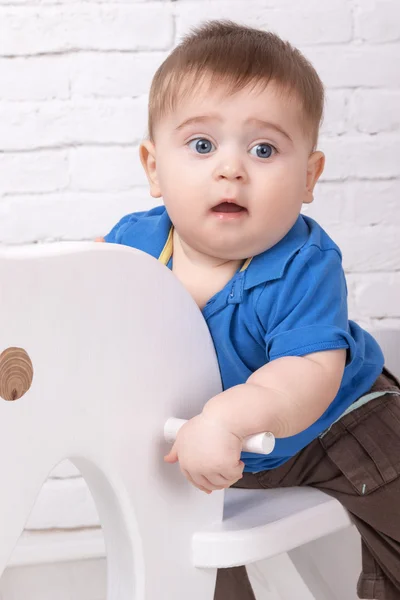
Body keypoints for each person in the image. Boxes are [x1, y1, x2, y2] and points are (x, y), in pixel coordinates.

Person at [96, 21, 400, 600]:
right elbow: (89, 300)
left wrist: (229, 421)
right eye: (202, 145)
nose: (231, 168)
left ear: (309, 176)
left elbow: (305, 376)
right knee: (186, 553)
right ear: (154, 166)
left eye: (263, 149)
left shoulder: (303, 264)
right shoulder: (131, 247)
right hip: (209, 442)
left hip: (337, 426)